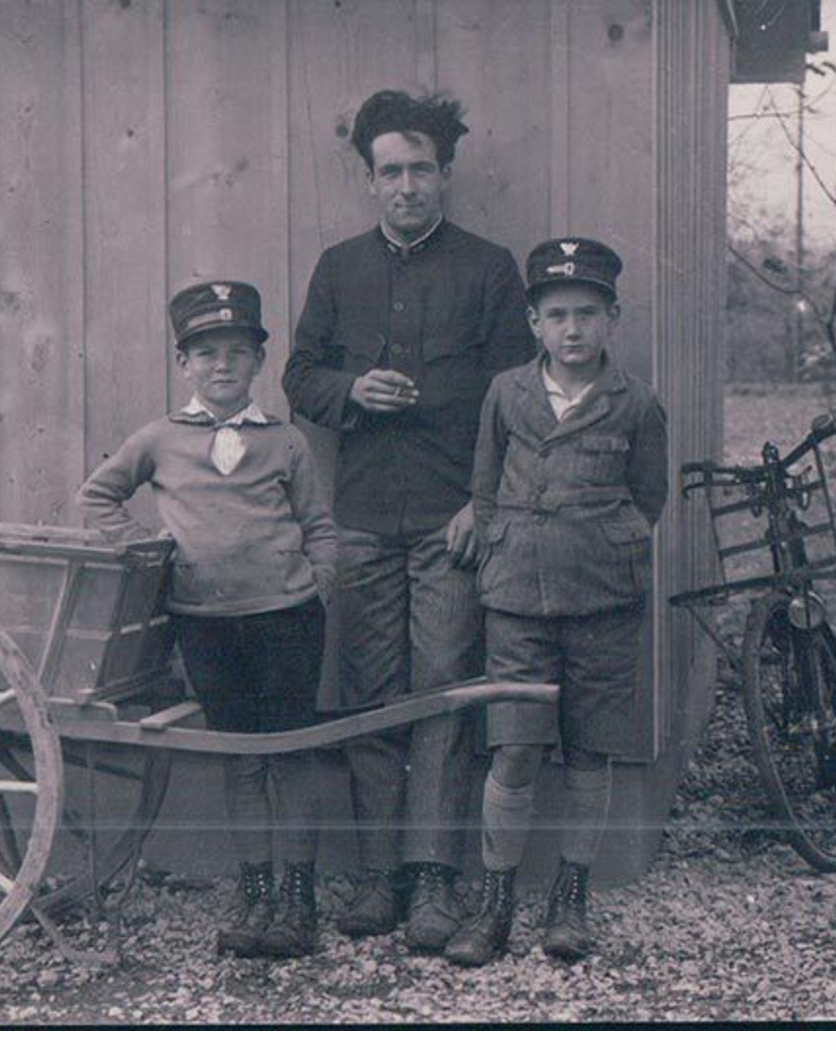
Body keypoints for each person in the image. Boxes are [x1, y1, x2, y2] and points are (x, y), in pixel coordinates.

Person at [282, 89, 535, 951]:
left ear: (445, 174)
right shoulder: (338, 268)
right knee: (364, 695)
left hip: (449, 520)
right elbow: (298, 376)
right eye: (388, 172)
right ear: (369, 183)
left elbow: (517, 401)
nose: (405, 187)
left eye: (420, 169)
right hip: (357, 519)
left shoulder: (489, 268)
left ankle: (431, 881)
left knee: (439, 694)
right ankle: (376, 879)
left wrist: (481, 502)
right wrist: (348, 390)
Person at [78, 280, 337, 959]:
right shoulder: (161, 439)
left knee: (290, 754)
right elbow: (99, 495)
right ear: (183, 363)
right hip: (204, 623)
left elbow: (319, 526)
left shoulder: (283, 442)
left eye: (236, 352)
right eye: (206, 353)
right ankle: (254, 892)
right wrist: (151, 558)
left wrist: (318, 584)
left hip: (285, 618)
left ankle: (297, 898)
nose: (222, 366)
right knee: (239, 759)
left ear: (256, 362)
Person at [444, 237, 667, 967]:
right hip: (515, 599)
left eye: (587, 314)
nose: (572, 329)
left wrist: (605, 541)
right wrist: (512, 539)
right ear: (534, 324)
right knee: (512, 750)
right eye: (557, 315)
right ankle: (495, 902)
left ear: (611, 318)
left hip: (603, 599)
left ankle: (570, 896)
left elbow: (647, 497)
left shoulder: (635, 402)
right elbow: (483, 487)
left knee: (589, 753)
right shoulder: (506, 392)